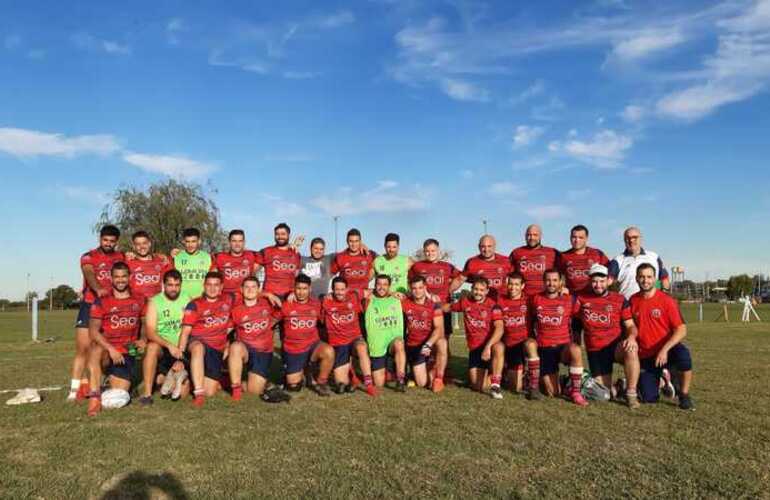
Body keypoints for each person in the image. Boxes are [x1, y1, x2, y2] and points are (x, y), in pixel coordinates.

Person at [69, 224, 125, 402]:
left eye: (112, 241)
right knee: (83, 349)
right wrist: (98, 288)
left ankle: (98, 381)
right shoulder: (88, 256)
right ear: (100, 239)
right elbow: (89, 273)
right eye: (105, 240)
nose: (108, 243)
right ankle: (74, 391)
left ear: (116, 242)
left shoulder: (121, 256)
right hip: (90, 306)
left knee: (104, 350)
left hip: (110, 309)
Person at [573, 264, 640, 409]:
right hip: (595, 350)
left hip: (614, 346)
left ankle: (631, 394)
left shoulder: (619, 299)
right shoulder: (581, 299)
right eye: (595, 281)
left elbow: (630, 325)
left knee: (631, 350)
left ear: (608, 280)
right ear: (590, 281)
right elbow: (576, 323)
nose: (598, 285)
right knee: (604, 394)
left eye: (602, 281)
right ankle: (619, 385)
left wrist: (631, 337)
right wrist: (577, 342)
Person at [630, 263, 694, 410]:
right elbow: (629, 327)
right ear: (636, 279)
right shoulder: (632, 301)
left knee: (684, 356)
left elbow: (682, 329)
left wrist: (665, 349)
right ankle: (663, 380)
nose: (645, 280)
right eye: (641, 277)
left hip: (667, 351)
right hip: (646, 355)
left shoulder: (667, 301)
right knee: (648, 398)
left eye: (649, 277)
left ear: (655, 279)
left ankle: (684, 395)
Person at [86, 262, 146, 416]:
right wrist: (111, 349)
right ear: (111, 278)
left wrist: (143, 339)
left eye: (124, 276)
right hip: (108, 351)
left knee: (119, 394)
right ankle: (94, 398)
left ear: (130, 277)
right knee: (95, 349)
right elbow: (93, 331)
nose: (120, 280)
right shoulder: (101, 301)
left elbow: (145, 324)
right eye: (117, 277)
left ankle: (106, 383)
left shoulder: (139, 299)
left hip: (127, 351)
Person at [528, 269, 588, 406]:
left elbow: (579, 318)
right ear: (543, 282)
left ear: (560, 282)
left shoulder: (569, 299)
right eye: (548, 280)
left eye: (555, 280)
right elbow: (530, 320)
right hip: (545, 347)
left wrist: (578, 338)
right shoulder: (535, 299)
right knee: (553, 393)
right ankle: (562, 380)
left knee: (576, 349)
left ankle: (576, 392)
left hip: (563, 347)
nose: (551, 283)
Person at [443, 277, 506, 399]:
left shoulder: (493, 306)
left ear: (487, 291)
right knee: (478, 386)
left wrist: (487, 347)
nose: (478, 292)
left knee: (499, 346)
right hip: (475, 349)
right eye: (476, 289)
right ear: (471, 289)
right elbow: (448, 307)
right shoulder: (465, 302)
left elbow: (500, 328)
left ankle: (496, 384)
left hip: (489, 348)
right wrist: (430, 305)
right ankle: (495, 372)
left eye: (482, 290)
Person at [179, 272, 233, 407]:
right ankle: (198, 392)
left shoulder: (228, 299)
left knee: (210, 391)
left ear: (221, 287)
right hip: (197, 343)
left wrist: (268, 294)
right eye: (209, 284)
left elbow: (251, 292)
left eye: (216, 285)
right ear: (204, 286)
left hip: (216, 350)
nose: (212, 288)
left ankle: (192, 377)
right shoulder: (194, 304)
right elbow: (185, 332)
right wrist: (179, 359)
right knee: (198, 347)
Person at [139, 269, 191, 405]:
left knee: (183, 394)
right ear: (164, 285)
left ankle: (170, 376)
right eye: (170, 285)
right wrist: (169, 346)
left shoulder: (187, 299)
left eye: (177, 285)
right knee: (151, 347)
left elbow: (192, 328)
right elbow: (150, 332)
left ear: (181, 285)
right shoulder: (155, 302)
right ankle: (147, 394)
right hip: (164, 348)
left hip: (181, 348)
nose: (173, 288)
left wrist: (181, 351)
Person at [276, 274, 334, 395]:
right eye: (298, 288)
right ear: (294, 288)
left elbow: (325, 321)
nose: (301, 292)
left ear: (310, 289)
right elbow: (270, 322)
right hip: (294, 349)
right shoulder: (286, 305)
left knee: (328, 351)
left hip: (312, 344)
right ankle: (302, 371)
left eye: (304, 288)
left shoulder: (316, 304)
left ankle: (321, 383)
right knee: (293, 386)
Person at [322, 277, 377, 396]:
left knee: (362, 347)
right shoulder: (325, 301)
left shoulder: (354, 295)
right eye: (337, 289)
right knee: (341, 384)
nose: (340, 292)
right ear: (332, 290)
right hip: (338, 343)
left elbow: (374, 290)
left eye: (342, 289)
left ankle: (369, 384)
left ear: (346, 289)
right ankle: (353, 378)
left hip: (354, 338)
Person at [228, 276, 280, 400]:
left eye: (253, 287)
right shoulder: (236, 310)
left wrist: (271, 295)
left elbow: (282, 309)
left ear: (259, 289)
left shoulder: (268, 304)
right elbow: (226, 330)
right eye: (247, 287)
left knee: (254, 391)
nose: (250, 290)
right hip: (245, 350)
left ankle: (228, 379)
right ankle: (235, 388)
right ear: (241, 289)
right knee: (235, 346)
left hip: (263, 352)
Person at [401, 276, 447, 392]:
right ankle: (424, 369)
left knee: (442, 342)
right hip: (413, 346)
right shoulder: (404, 303)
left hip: (428, 344)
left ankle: (439, 378)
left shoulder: (434, 305)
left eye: (420, 287)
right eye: (414, 288)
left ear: (425, 288)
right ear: (410, 289)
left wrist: (429, 344)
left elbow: (439, 328)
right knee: (422, 383)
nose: (417, 291)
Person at [495, 272, 539, 393]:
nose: (513, 287)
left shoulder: (529, 301)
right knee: (515, 388)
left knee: (531, 344)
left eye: (516, 284)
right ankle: (508, 370)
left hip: (524, 345)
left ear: (522, 286)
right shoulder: (501, 300)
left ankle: (533, 384)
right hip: (509, 345)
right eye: (510, 284)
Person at [364, 275, 407, 391]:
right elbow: (353, 292)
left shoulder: (398, 299)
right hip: (377, 346)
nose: (381, 287)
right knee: (379, 383)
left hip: (393, 341)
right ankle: (389, 369)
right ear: (374, 286)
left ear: (389, 286)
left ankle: (400, 380)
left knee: (399, 343)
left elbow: (416, 297)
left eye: (385, 284)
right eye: (378, 284)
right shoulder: (368, 300)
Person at [609, 226, 670, 299]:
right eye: (627, 238)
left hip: (651, 304)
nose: (631, 240)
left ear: (641, 239)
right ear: (624, 240)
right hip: (628, 305)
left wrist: (664, 297)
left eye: (635, 237)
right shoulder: (617, 260)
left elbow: (665, 279)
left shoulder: (654, 257)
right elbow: (607, 282)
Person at [450, 235, 511, 299]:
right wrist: (448, 292)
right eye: (483, 246)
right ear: (479, 247)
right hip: (480, 303)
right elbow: (460, 279)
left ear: (494, 246)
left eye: (489, 246)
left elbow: (516, 280)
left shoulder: (506, 261)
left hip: (501, 302)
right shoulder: (472, 262)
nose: (486, 249)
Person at [510, 224, 560, 298]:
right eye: (529, 235)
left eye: (535, 235)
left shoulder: (552, 252)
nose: (531, 238)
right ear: (525, 236)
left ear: (540, 236)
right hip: (523, 298)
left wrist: (563, 287)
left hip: (544, 298)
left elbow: (562, 272)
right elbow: (509, 275)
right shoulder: (516, 253)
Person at [211, 229, 259, 303]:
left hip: (245, 299)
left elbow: (267, 259)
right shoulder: (220, 257)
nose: (237, 244)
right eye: (234, 241)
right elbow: (211, 277)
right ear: (229, 242)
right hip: (226, 299)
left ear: (244, 242)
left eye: (240, 241)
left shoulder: (252, 255)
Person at [558, 225, 609, 294]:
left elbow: (610, 270)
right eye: (574, 237)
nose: (576, 240)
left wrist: (604, 285)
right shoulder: (563, 256)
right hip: (572, 297)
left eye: (580, 237)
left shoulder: (597, 253)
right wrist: (561, 288)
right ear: (570, 238)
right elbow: (556, 277)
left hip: (593, 297)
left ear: (586, 238)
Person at [258, 223, 302, 300]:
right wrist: (262, 293)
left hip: (289, 297)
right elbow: (251, 273)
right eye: (277, 234)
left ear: (289, 235)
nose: (280, 236)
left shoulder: (296, 254)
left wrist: (294, 292)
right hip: (269, 297)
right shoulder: (266, 251)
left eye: (283, 234)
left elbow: (297, 277)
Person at [330, 228, 376, 301]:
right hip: (346, 298)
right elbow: (329, 274)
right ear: (347, 241)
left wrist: (368, 280)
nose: (354, 244)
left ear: (360, 242)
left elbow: (380, 264)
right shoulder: (340, 257)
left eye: (356, 241)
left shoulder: (368, 254)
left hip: (363, 298)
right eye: (351, 241)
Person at [126, 231, 173, 300]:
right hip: (137, 305)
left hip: (156, 305)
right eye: (138, 244)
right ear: (134, 246)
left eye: (144, 243)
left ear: (149, 244)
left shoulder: (161, 261)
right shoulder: (128, 263)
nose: (142, 247)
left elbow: (171, 282)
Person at [173, 227, 212, 299]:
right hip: (182, 300)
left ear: (199, 241)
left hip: (202, 299)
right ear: (183, 242)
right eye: (187, 241)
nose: (190, 245)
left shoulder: (207, 257)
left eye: (193, 241)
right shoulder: (176, 257)